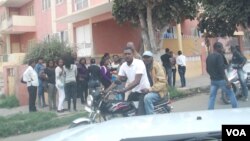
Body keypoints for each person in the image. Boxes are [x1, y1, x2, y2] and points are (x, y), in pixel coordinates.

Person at [105, 46, 150, 115]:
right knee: (125, 109)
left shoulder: (139, 63)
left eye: (129, 54)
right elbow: (117, 80)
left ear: (133, 54)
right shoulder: (123, 66)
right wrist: (106, 91)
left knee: (140, 114)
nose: (127, 55)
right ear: (123, 55)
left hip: (144, 92)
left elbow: (137, 81)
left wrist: (124, 90)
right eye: (125, 54)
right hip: (134, 92)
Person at [206, 42, 238, 110]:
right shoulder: (219, 56)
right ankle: (236, 110)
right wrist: (227, 81)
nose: (222, 49)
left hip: (213, 80)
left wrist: (212, 75)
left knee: (212, 97)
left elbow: (207, 69)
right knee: (231, 93)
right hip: (221, 80)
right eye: (221, 47)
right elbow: (221, 70)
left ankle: (210, 111)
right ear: (218, 48)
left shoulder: (209, 56)